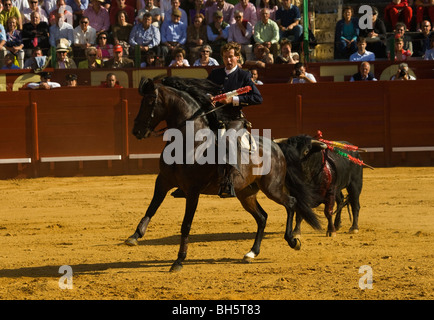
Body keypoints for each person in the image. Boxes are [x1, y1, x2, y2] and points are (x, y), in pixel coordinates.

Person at [206, 41, 263, 197]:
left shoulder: (244, 75)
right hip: (215, 117)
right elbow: (204, 89)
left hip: (234, 118)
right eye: (225, 57)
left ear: (238, 58)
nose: (228, 60)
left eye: (231, 57)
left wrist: (233, 100)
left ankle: (228, 181)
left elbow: (257, 98)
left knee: (228, 139)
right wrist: (208, 96)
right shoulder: (216, 74)